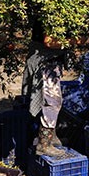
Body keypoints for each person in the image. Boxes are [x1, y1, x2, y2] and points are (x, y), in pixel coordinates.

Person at [21, 18, 68, 157]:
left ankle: (50, 136)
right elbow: (49, 41)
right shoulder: (52, 12)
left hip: (50, 62)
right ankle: (44, 144)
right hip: (43, 62)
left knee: (53, 101)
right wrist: (72, 41)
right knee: (51, 102)